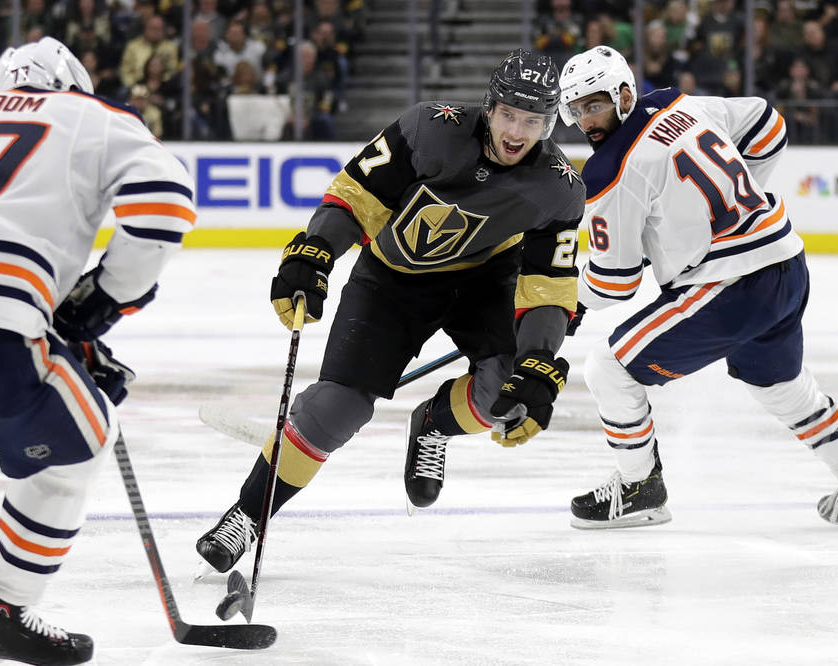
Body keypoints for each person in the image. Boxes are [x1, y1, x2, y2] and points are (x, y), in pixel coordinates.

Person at [196, 49, 585, 574]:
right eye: (510, 115)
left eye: (534, 120)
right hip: (391, 280)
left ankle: (433, 424)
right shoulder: (430, 128)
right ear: (489, 108)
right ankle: (248, 514)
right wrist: (315, 253)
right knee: (338, 408)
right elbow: (354, 197)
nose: (518, 132)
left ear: (550, 123)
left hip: (483, 281)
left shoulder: (559, 188)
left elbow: (548, 288)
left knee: (506, 393)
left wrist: (538, 358)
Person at [0, 36, 195, 665]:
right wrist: (100, 303)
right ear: (72, 83)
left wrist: (57, 329)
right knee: (84, 433)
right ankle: (1, 608)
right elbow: (162, 207)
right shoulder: (94, 118)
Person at [556, 46, 838, 531]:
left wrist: (565, 299)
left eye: (593, 105)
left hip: (730, 284)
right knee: (780, 385)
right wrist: (729, 206)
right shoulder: (676, 104)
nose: (585, 121)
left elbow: (614, 283)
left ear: (622, 93)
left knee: (609, 368)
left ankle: (638, 488)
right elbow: (768, 126)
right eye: (575, 111)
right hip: (785, 261)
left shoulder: (608, 171)